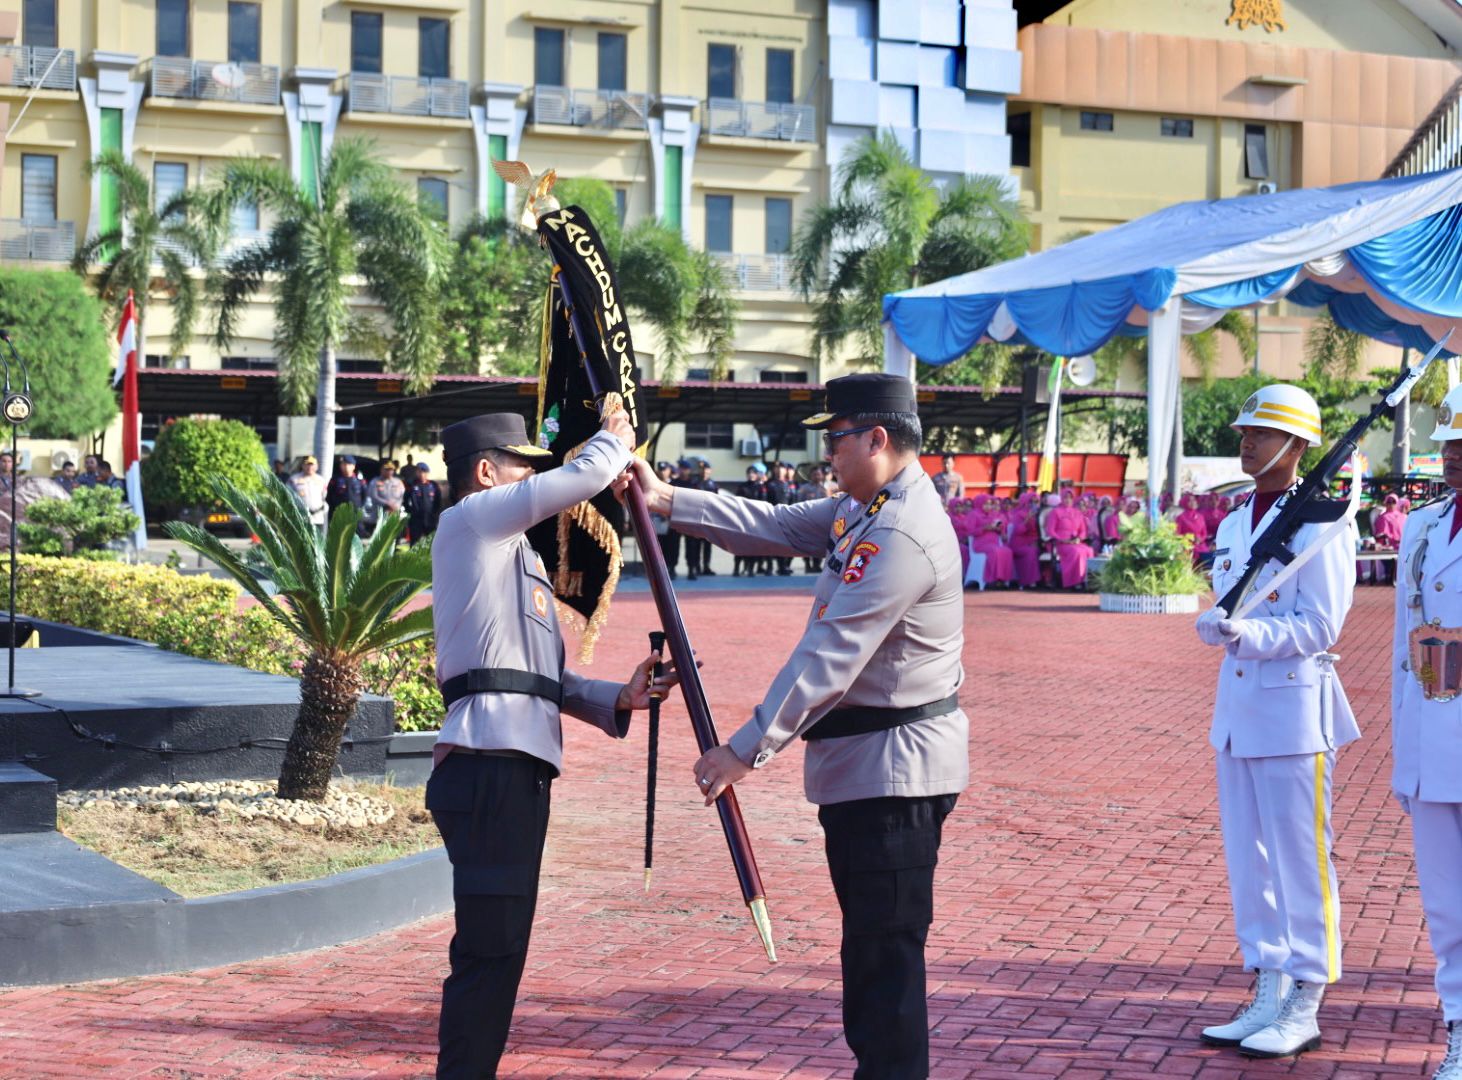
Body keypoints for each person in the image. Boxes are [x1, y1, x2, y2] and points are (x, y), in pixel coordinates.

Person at [620, 372, 967, 1080]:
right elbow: (774, 527)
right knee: (870, 956)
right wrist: (667, 500)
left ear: (877, 438)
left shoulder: (901, 530)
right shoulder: (867, 507)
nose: (827, 454)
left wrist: (744, 750)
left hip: (894, 775)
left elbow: (831, 655)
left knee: (885, 966)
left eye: (836, 439)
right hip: (866, 772)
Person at [427, 409, 680, 1080]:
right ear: (486, 473)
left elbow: (548, 679)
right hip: (486, 762)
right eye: (522, 466)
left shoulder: (517, 555)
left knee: (503, 946)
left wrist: (620, 697)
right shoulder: (471, 522)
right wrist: (613, 437)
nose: (533, 478)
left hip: (516, 769)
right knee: (489, 948)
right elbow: (580, 477)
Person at [1194, 384, 1358, 1060]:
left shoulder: (1324, 522)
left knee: (1300, 862)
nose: (1246, 441)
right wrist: (1219, 623)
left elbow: (1321, 624)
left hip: (1293, 713)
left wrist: (1249, 635)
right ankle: (1268, 983)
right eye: (1245, 432)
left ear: (1295, 446)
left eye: (1259, 433)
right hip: (1238, 713)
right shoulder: (1237, 521)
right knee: (1250, 861)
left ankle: (1307, 997)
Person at [1391, 384, 1462, 1080]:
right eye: (1448, 443)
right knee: (1445, 903)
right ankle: (1460, 1029)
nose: (1454, 455)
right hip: (1433, 740)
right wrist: (1403, 752)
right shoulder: (1421, 526)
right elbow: (1400, 649)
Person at [1045, 488, 1093, 589]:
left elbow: (1083, 531)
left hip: (1075, 542)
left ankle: (1087, 581)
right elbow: (1050, 530)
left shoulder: (1077, 512)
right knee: (1077, 552)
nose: (1068, 500)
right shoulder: (1055, 512)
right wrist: (1062, 540)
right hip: (1060, 543)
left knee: (1089, 550)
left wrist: (1079, 539)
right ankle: (1074, 581)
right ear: (1062, 498)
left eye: (1070, 498)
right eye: (1065, 497)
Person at [963, 494, 1015, 586]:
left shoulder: (992, 514)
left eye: (990, 504)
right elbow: (970, 531)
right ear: (979, 503)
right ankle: (993, 580)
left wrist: (998, 528)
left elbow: (1000, 527)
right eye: (985, 504)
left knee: (1007, 551)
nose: (988, 506)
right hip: (980, 544)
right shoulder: (974, 514)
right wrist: (984, 528)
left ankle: (1003, 579)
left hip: (994, 543)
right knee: (995, 551)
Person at [735, 463, 770, 577]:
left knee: (753, 545)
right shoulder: (742, 486)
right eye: (749, 473)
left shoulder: (760, 487)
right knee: (740, 545)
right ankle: (736, 568)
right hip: (743, 519)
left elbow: (763, 502)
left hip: (755, 520)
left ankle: (751, 568)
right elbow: (737, 502)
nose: (751, 475)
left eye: (753, 473)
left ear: (757, 475)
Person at [652, 461, 681, 577]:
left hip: (672, 520)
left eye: (665, 470)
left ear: (669, 470)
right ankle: (661, 569)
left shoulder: (675, 485)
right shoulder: (654, 484)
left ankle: (672, 567)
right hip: (659, 521)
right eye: (661, 470)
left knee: (673, 545)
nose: (662, 472)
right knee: (660, 546)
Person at [1369, 493, 1405, 585]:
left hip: (1404, 544)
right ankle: (1390, 576)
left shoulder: (1403, 516)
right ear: (1385, 503)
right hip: (1390, 546)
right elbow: (1382, 534)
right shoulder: (1383, 517)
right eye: (1389, 502)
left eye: (1393, 502)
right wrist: (1395, 539)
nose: (1391, 504)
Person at [326, 454, 368, 532]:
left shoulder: (359, 480)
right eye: (343, 464)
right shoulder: (335, 479)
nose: (345, 466)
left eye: (348, 464)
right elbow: (329, 497)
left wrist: (357, 507)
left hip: (355, 514)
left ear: (353, 466)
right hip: (339, 514)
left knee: (357, 534)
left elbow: (364, 496)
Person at [407, 462, 444, 545]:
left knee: (431, 543)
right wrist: (411, 512)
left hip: (430, 518)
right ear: (416, 472)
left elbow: (438, 501)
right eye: (419, 472)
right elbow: (405, 500)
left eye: (424, 472)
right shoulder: (412, 485)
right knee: (414, 543)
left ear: (427, 473)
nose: (421, 474)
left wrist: (434, 514)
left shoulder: (433, 485)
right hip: (416, 519)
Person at [289, 455, 329, 529]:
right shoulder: (294, 479)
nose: (309, 467)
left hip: (317, 518)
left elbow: (325, 496)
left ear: (317, 466)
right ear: (302, 466)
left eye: (312, 465)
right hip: (300, 517)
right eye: (307, 464)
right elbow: (288, 496)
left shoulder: (321, 480)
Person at [1176, 493, 1213, 565]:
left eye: (1194, 500)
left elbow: (1204, 533)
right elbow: (1177, 534)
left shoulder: (1200, 516)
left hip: (1201, 546)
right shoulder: (1180, 517)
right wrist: (1190, 539)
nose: (1193, 502)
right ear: (1185, 503)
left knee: (1209, 559)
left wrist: (1200, 539)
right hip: (1187, 547)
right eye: (1190, 500)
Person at [367, 460, 407, 525]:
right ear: (381, 469)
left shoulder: (398, 482)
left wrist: (395, 506)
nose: (389, 471)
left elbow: (401, 496)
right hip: (379, 516)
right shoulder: (375, 482)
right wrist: (387, 504)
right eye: (387, 469)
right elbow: (373, 497)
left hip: (394, 515)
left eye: (391, 469)